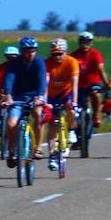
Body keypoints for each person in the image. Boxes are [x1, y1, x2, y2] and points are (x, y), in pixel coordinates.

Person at [0, 37, 48, 168]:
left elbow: (42, 80)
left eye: (33, 51)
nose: (30, 54)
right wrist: (8, 96)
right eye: (27, 51)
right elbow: (9, 79)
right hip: (17, 96)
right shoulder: (14, 63)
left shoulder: (39, 62)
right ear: (21, 51)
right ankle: (12, 150)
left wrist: (40, 96)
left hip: (34, 96)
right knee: (11, 123)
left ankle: (38, 147)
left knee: (38, 114)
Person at [43, 39, 80, 169]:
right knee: (52, 123)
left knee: (71, 110)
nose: (57, 57)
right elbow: (45, 84)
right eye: (54, 54)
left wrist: (74, 101)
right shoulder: (47, 63)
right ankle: (52, 155)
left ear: (65, 52)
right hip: (52, 95)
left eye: (60, 53)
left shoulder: (72, 62)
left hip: (66, 93)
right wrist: (45, 102)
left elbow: (75, 83)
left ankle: (71, 129)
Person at [70, 31, 108, 131]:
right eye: (83, 42)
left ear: (91, 43)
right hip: (79, 85)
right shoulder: (74, 55)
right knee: (77, 106)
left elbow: (101, 70)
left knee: (96, 94)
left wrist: (106, 83)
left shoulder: (96, 54)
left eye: (87, 42)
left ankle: (95, 116)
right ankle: (78, 129)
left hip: (93, 83)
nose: (85, 45)